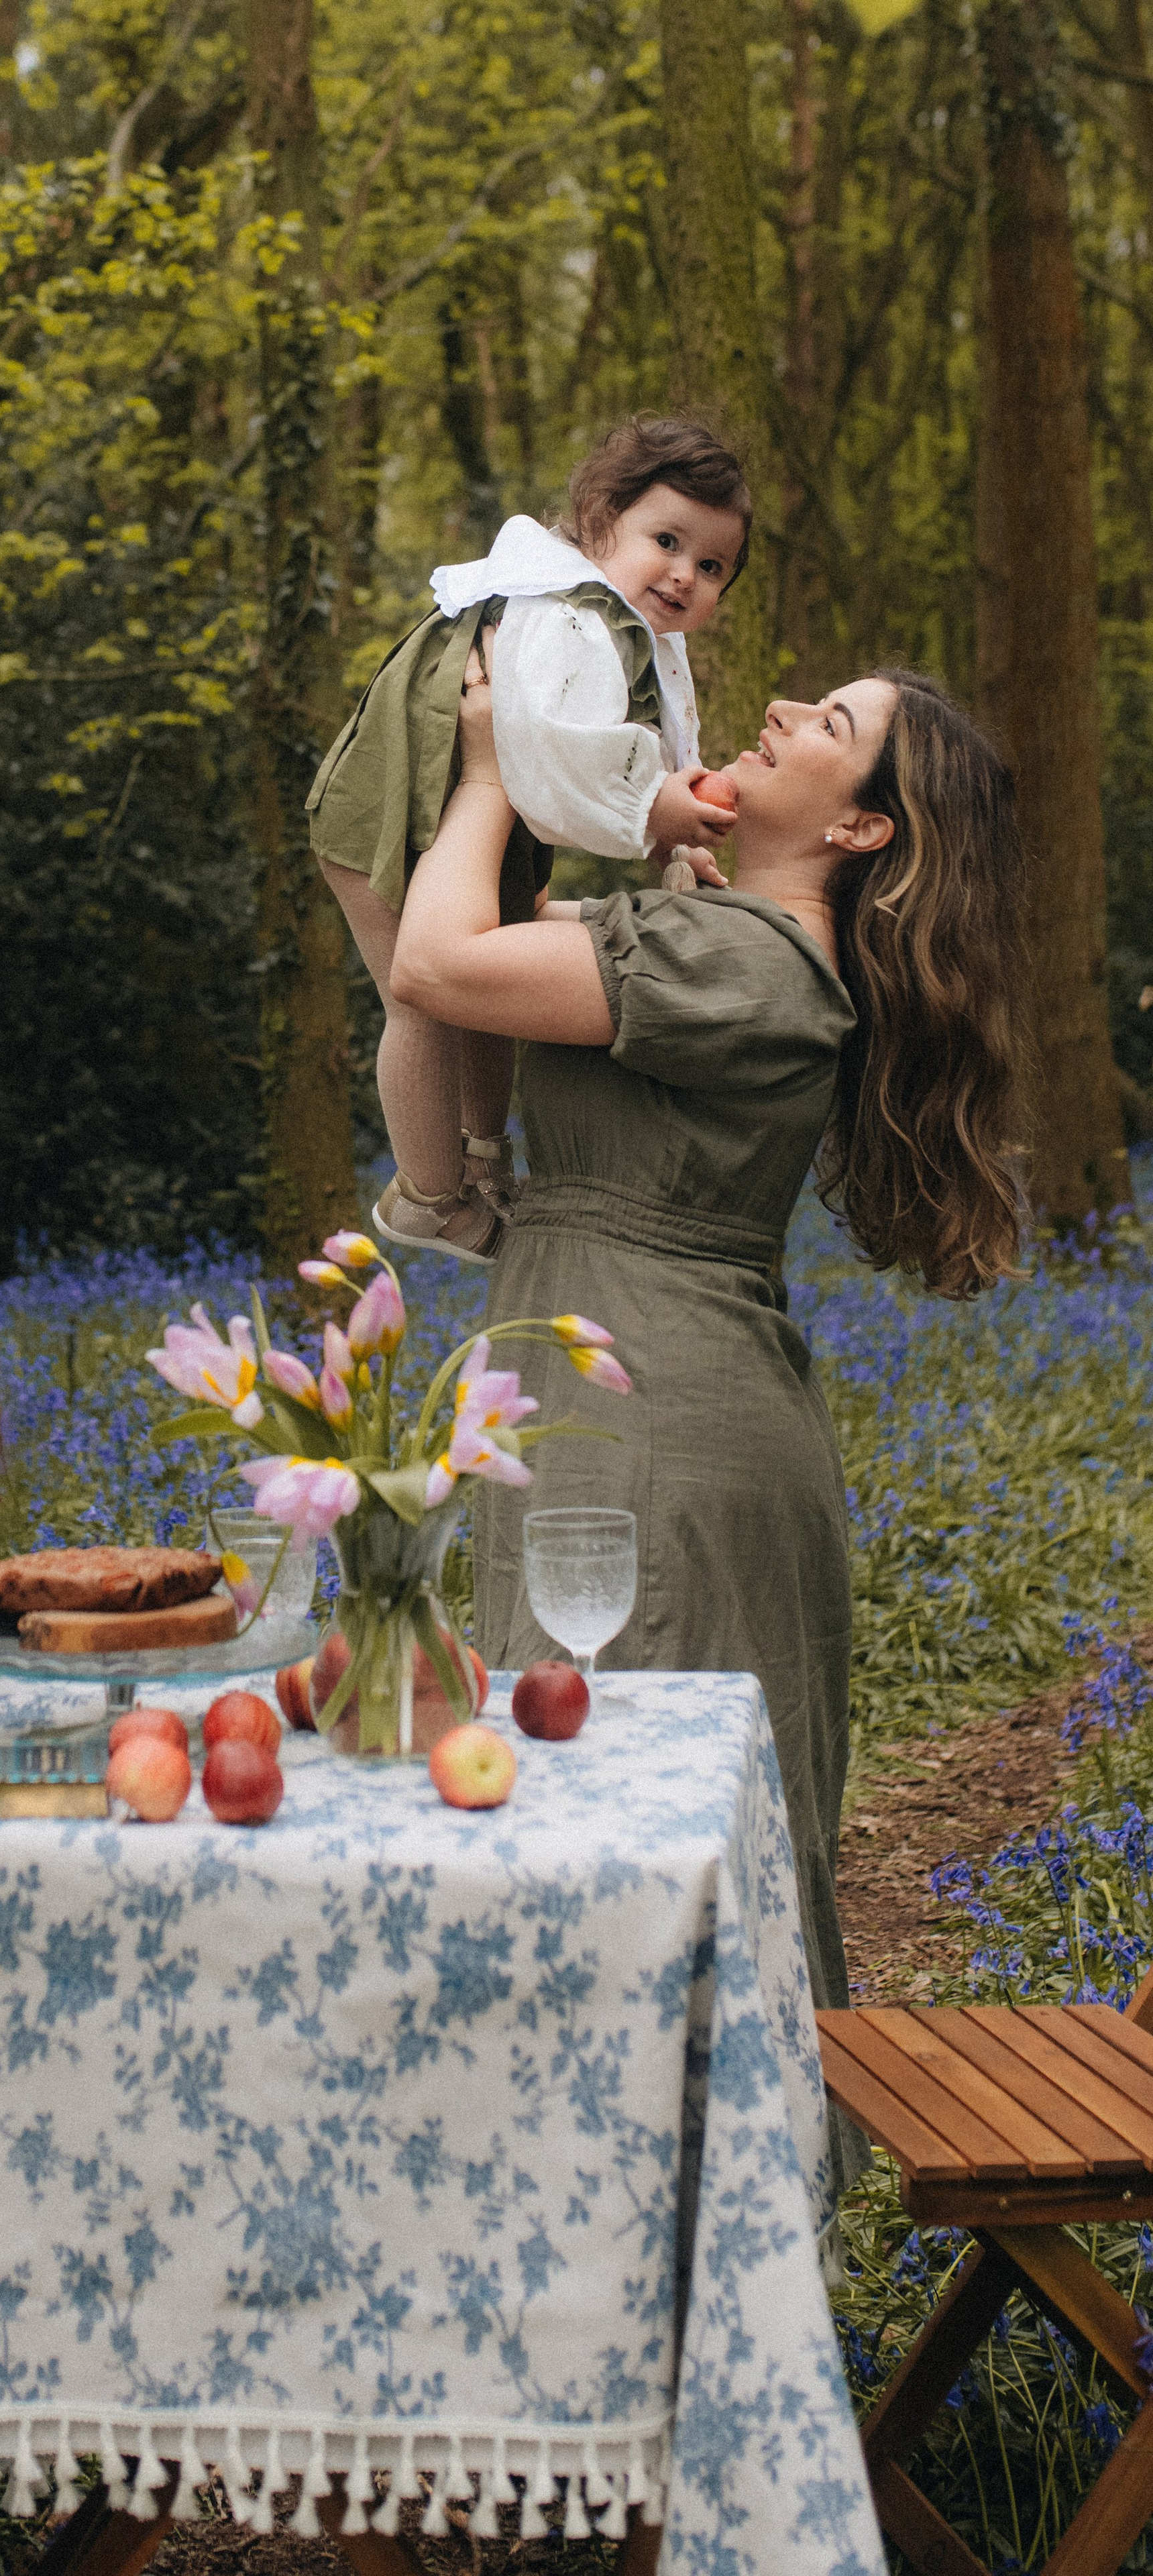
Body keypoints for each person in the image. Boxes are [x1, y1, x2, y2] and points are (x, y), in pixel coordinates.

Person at [391, 652, 1024, 2174]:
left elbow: (432, 964)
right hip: (613, 1385)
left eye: (835, 726)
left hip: (654, 1434)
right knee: (587, 1845)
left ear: (863, 827)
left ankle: (680, 2286)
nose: (791, 711)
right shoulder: (720, 935)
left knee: (618, 1857)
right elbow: (449, 958)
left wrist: (492, 774)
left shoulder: (750, 962)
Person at [307, 415, 749, 1265]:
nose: (685, 574)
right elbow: (554, 761)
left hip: (469, 839)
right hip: (385, 819)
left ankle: (482, 1163)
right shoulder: (564, 616)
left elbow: (666, 731)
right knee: (422, 1000)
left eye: (712, 566)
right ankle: (429, 1199)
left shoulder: (628, 624)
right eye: (666, 539)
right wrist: (656, 809)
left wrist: (678, 837)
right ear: (597, 518)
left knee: (483, 992)